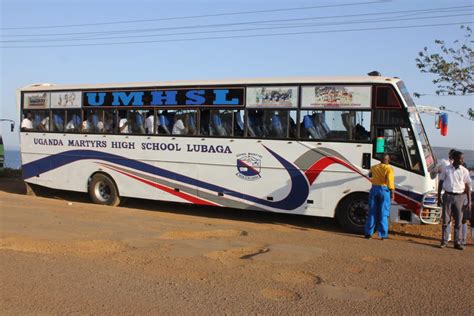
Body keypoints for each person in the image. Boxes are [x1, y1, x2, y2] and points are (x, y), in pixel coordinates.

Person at [438, 151, 472, 250]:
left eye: (463, 158)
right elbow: (440, 182)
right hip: (448, 196)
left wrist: (469, 201)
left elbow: (467, 187)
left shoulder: (464, 171)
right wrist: (439, 196)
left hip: (460, 197)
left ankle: (457, 242)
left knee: (458, 222)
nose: (462, 160)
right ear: (455, 159)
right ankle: (444, 241)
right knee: (446, 220)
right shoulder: (446, 169)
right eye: (461, 158)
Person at [365, 153, 395, 240]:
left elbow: (370, 175)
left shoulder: (374, 167)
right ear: (388, 160)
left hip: (374, 189)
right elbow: (390, 181)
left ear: (380, 160)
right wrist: (392, 192)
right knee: (383, 213)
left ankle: (368, 234)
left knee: (372, 211)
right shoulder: (389, 168)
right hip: (384, 190)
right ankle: (383, 235)